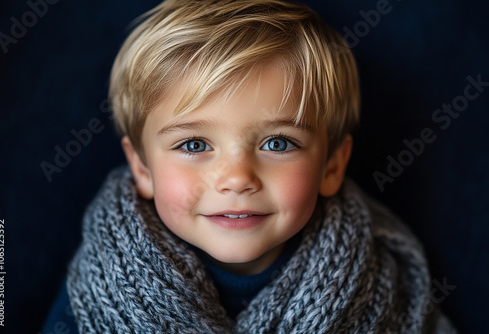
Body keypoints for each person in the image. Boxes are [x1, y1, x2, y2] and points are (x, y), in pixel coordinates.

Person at [43, 0, 456, 332]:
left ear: (332, 165)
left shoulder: (380, 276)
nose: (238, 178)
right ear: (143, 168)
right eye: (194, 143)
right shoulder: (106, 274)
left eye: (278, 143)